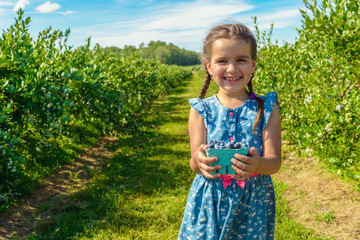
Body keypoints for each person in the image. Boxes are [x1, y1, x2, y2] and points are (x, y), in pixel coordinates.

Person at [178, 22, 281, 240]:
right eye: (222, 61)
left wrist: (258, 164)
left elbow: (274, 162)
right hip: (210, 199)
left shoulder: (266, 108)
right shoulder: (201, 110)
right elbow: (195, 165)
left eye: (241, 60)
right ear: (209, 66)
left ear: (253, 65)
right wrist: (200, 162)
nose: (232, 69)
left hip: (252, 202)